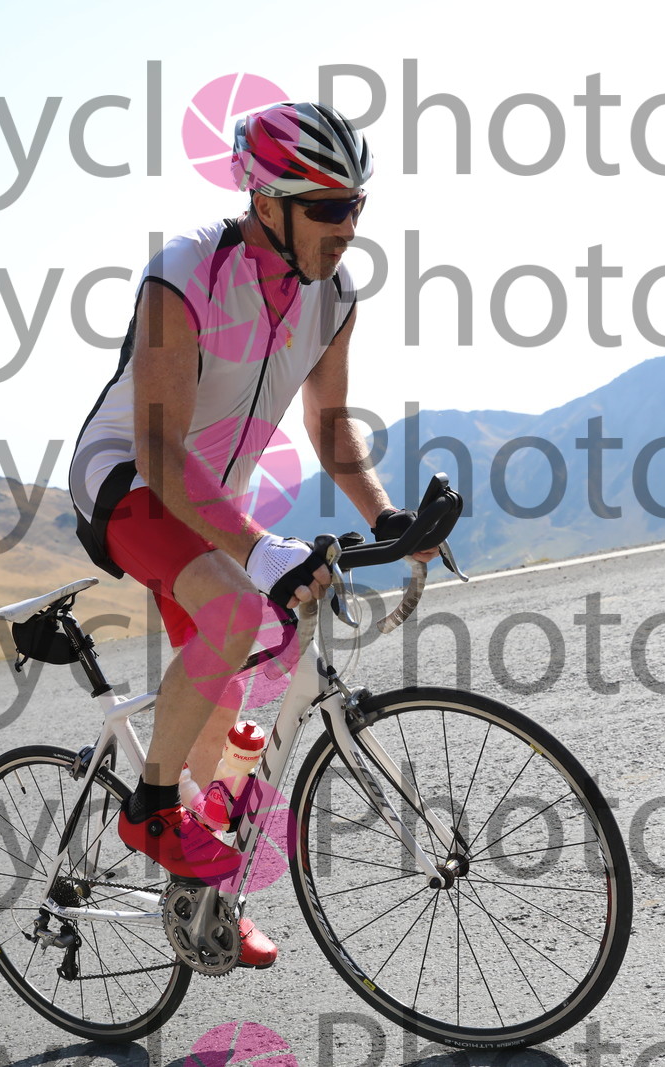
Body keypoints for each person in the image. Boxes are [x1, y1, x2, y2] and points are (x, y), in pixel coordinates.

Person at [68, 102, 433, 969]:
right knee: (238, 614)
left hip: (209, 504)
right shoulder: (186, 272)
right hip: (128, 480)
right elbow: (160, 450)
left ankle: (208, 894)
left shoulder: (334, 296)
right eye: (329, 208)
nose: (349, 227)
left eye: (357, 205)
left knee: (237, 706)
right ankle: (149, 809)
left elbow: (330, 426)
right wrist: (261, 549)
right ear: (267, 202)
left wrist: (389, 519)